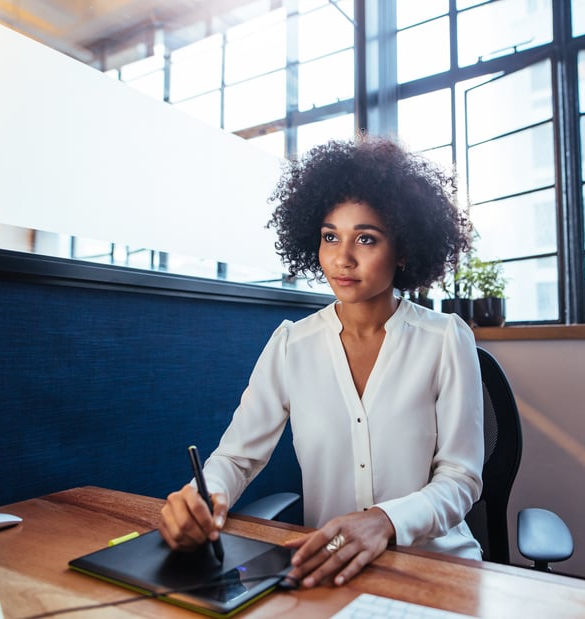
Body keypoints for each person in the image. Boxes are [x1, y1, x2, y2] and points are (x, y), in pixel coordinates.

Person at [158, 135, 484, 589]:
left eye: (365, 239)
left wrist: (384, 521)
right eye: (330, 236)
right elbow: (235, 458)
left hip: (435, 568)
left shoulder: (446, 339)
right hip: (328, 569)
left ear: (404, 249)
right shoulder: (292, 345)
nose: (341, 258)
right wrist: (201, 498)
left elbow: (461, 478)